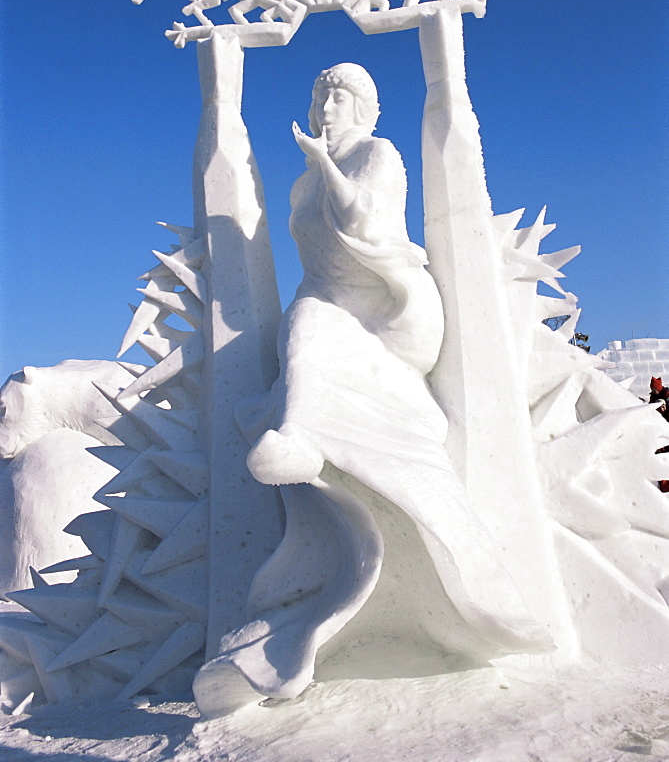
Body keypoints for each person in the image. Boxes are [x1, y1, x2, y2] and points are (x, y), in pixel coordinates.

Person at [194, 64, 552, 716]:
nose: (324, 108)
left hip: (388, 315)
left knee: (310, 332)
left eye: (337, 97)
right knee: (302, 326)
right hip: (324, 304)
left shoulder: (376, 155)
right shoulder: (305, 177)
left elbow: (363, 224)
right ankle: (304, 441)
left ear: (363, 106)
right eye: (318, 96)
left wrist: (323, 166)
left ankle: (300, 435)